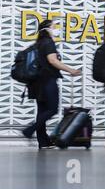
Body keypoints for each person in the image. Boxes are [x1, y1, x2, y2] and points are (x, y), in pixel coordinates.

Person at [22, 20, 81, 149]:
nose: (56, 29)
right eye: (54, 27)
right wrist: (71, 70)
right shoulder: (48, 42)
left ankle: (43, 142)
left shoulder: (38, 43)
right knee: (52, 109)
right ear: (47, 29)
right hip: (47, 80)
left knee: (42, 111)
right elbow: (53, 61)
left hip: (36, 82)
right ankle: (29, 130)